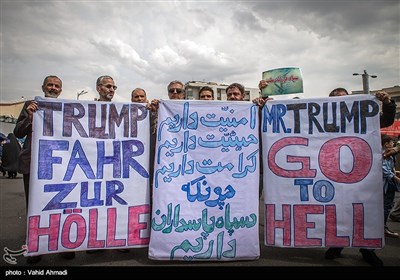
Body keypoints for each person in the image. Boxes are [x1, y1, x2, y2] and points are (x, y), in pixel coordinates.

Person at [324, 87, 396, 267]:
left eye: (343, 98)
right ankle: (338, 244)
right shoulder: (324, 120)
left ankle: (367, 249)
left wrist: (387, 103)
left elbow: (386, 120)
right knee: (339, 210)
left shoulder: (363, 116)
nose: (340, 102)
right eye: (335, 99)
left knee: (365, 210)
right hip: (334, 172)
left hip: (363, 173)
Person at [14, 75, 75, 264]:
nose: (54, 88)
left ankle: (60, 245)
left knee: (61, 206)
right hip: (34, 164)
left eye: (57, 86)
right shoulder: (31, 106)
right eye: (50, 85)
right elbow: (18, 132)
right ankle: (35, 247)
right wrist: (31, 118)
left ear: (61, 90)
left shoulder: (68, 109)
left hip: (60, 165)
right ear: (43, 87)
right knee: (34, 206)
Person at [381, 134, 400, 238]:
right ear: (386, 144)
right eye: (392, 143)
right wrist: (395, 177)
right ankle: (382, 228)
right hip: (385, 186)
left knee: (388, 205)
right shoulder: (384, 155)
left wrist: (395, 173)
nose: (393, 145)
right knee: (386, 207)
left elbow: (388, 169)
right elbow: (384, 170)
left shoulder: (389, 155)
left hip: (389, 185)